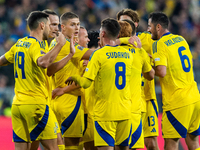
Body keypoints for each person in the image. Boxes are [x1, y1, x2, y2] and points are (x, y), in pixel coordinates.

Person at [0, 11, 68, 150]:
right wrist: (60, 45)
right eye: (50, 25)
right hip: (36, 105)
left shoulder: (19, 43)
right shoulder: (34, 45)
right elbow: (43, 62)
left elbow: (2, 60)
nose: (51, 28)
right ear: (42, 25)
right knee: (56, 146)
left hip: (18, 105)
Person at [66, 18, 134, 150]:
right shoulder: (128, 55)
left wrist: (75, 77)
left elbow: (85, 83)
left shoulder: (98, 55)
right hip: (125, 111)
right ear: (118, 35)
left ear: (102, 34)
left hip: (105, 113)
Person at [148, 12, 200, 150]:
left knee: (171, 144)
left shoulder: (159, 44)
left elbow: (161, 71)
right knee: (194, 143)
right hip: (194, 97)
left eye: (149, 26)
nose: (148, 30)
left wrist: (146, 64)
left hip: (177, 102)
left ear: (158, 27)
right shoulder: (181, 39)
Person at [117, 9, 159, 150]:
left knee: (151, 143)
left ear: (135, 24)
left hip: (146, 97)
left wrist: (147, 58)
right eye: (121, 22)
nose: (123, 24)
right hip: (125, 100)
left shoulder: (148, 38)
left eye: (126, 21)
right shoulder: (116, 45)